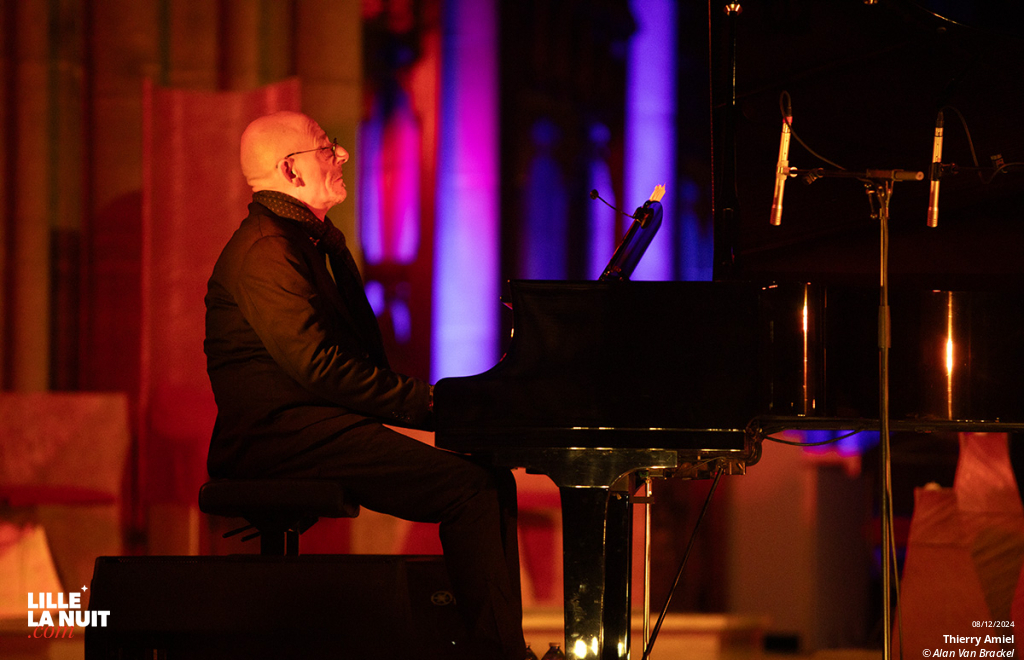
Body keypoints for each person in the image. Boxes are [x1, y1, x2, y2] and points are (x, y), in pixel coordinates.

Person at [204, 110, 527, 659]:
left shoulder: (296, 240)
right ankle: (498, 655)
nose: (343, 155)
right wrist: (437, 405)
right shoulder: (268, 249)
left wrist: (442, 410)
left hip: (312, 427)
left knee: (487, 479)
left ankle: (498, 647)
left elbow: (338, 365)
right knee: (474, 489)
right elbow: (321, 367)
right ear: (291, 170)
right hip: (278, 440)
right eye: (326, 147)